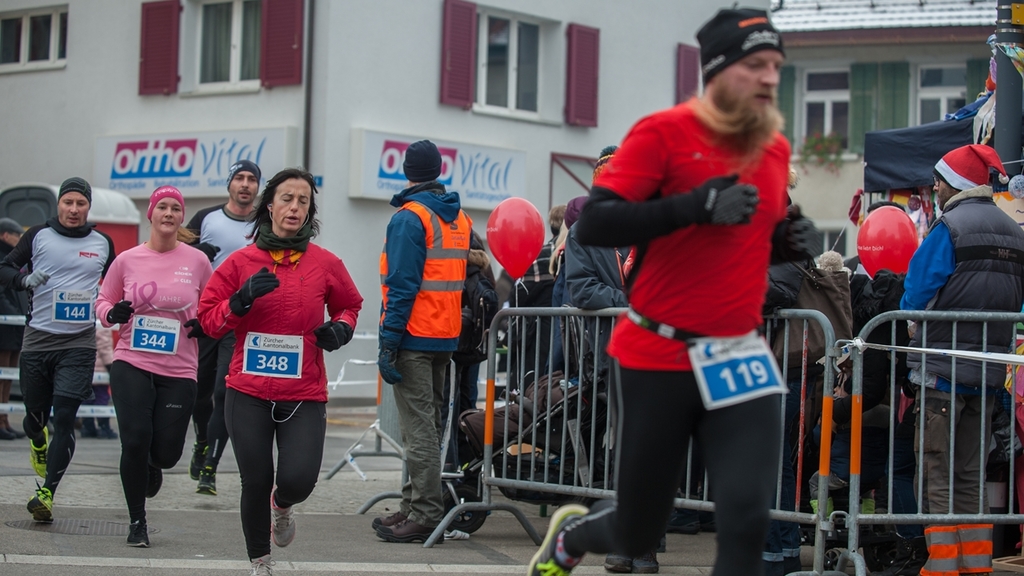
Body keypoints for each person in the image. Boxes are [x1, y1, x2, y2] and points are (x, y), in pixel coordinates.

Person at [526, 9, 823, 576]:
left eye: (776, 67)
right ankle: (577, 534)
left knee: (745, 516)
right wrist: (695, 207)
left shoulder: (773, 149)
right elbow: (598, 224)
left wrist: (789, 240)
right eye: (756, 65)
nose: (769, 78)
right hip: (659, 351)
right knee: (640, 521)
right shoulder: (661, 134)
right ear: (718, 70)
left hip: (737, 350)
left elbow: (749, 240)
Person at [900, 144, 1024, 575]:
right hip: (989, 375)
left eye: (939, 180)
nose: (934, 187)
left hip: (942, 376)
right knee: (972, 477)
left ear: (954, 184)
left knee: (937, 473)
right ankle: (976, 567)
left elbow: (915, 293)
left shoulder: (948, 228)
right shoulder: (1014, 232)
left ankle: (942, 568)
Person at [96, 185, 213, 547]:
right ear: (151, 214)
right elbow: (103, 300)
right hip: (132, 360)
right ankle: (137, 522)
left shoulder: (197, 261)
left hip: (179, 369)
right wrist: (111, 313)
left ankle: (153, 464)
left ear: (180, 218)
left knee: (165, 452)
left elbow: (212, 306)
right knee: (134, 440)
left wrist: (204, 324)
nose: (168, 213)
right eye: (162, 207)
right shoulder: (127, 260)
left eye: (175, 209)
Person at [0, 177, 115, 523]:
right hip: (38, 340)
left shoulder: (102, 242)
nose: (74, 209)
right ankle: (38, 441)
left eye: (81, 203)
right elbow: (4, 267)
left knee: (65, 416)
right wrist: (23, 279)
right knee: (35, 419)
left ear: (88, 207)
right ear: (59, 205)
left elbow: (118, 281)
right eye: (69, 203)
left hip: (78, 343)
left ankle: (47, 492)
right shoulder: (37, 236)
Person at [375, 140, 472, 543]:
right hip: (444, 335)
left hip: (414, 334)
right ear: (437, 170)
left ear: (407, 171)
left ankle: (426, 514)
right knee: (428, 424)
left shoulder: (409, 218)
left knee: (418, 430)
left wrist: (388, 341)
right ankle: (412, 505)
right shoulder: (458, 217)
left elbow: (402, 285)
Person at [186, 159, 260, 495]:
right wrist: (196, 251)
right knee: (198, 394)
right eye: (239, 178)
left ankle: (210, 468)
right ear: (230, 184)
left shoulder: (264, 223)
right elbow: (176, 256)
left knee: (223, 391)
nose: (245, 185)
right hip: (207, 317)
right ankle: (201, 440)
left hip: (243, 320)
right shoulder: (207, 219)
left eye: (251, 179)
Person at [0, 217, 27, 440]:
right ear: (4, 236)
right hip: (5, 328)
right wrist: (15, 316)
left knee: (8, 376)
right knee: (2, 374)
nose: (19, 239)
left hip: (15, 328)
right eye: (17, 235)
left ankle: (5, 419)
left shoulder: (14, 260)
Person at [80, 326, 118, 440]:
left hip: (84, 366)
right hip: (99, 368)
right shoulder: (102, 324)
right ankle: (104, 427)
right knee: (102, 398)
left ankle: (87, 427)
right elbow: (104, 347)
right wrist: (111, 366)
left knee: (87, 398)